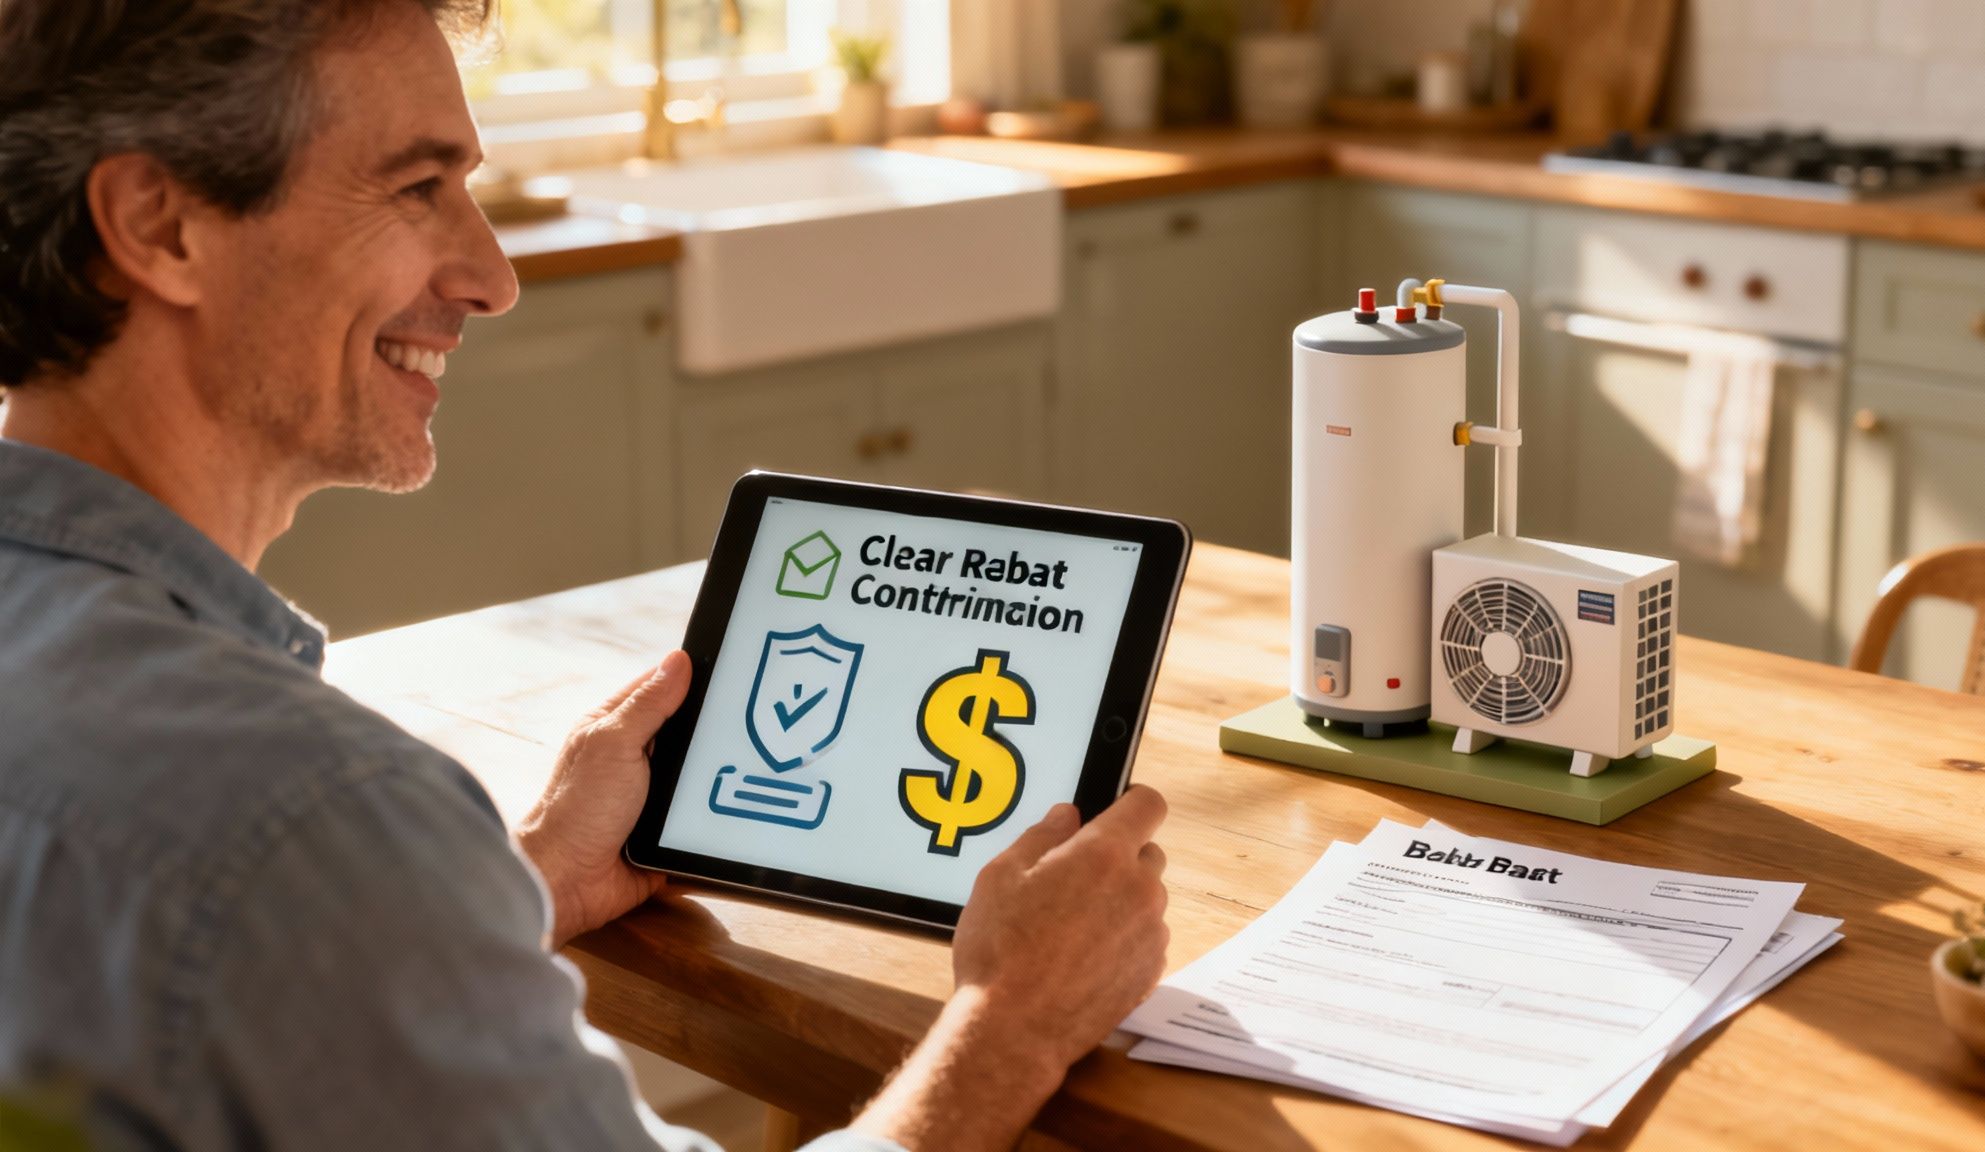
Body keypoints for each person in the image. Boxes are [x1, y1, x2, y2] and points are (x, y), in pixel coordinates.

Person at [0, 3, 1172, 1150]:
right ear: (159, 228)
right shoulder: (312, 817)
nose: (490, 276)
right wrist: (1010, 1021)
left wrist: (516, 886)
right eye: (417, 187)